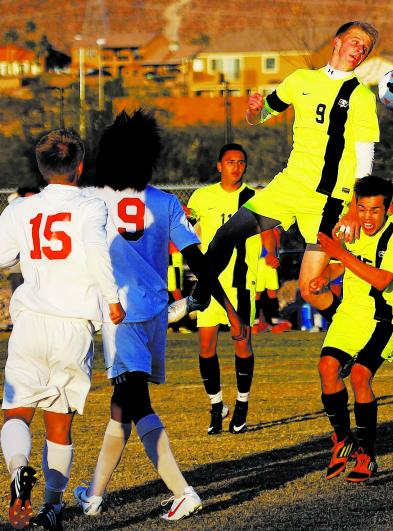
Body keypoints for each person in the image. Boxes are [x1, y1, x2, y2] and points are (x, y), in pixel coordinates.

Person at [73, 110, 248, 521]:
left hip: (121, 314)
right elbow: (198, 260)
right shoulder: (164, 200)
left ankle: (182, 491)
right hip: (153, 315)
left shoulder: (90, 200)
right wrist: (227, 305)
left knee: (136, 403)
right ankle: (94, 494)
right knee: (122, 404)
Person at [170, 21, 380, 329]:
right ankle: (199, 297)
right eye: (355, 41)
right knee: (226, 234)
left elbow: (366, 155)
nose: (359, 49)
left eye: (365, 48)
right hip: (288, 186)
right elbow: (261, 114)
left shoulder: (361, 96)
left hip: (328, 201)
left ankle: (349, 336)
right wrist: (254, 110)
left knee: (311, 288)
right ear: (337, 42)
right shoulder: (300, 80)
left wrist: (353, 207)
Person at [0, 130, 125, 530]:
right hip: (73, 326)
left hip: (31, 322)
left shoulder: (19, 209)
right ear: (80, 167)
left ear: (39, 167)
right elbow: (94, 251)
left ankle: (19, 469)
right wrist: (111, 299)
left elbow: (2, 257)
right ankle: (52, 506)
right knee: (60, 420)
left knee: (16, 414)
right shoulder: (90, 206)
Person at [310, 176, 393, 483]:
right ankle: (343, 440)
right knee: (327, 367)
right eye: (362, 209)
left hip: (387, 316)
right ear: (355, 206)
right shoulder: (350, 230)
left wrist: (340, 254)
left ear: (388, 209)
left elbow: (382, 279)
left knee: (359, 376)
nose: (368, 217)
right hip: (351, 312)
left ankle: (367, 455)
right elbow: (343, 265)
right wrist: (326, 276)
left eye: (375, 211)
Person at [186, 143, 260, 435]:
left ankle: (242, 403)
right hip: (209, 280)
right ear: (219, 165)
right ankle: (216, 404)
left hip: (241, 281)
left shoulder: (254, 198)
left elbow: (271, 230)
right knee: (206, 346)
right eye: (230, 162)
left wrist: (274, 253)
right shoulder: (202, 197)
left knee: (241, 342)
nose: (236, 167)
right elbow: (186, 226)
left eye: (241, 162)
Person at [254, 226, 293, 333]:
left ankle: (274, 321)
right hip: (260, 260)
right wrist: (267, 254)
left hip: (270, 263)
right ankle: (254, 322)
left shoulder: (275, 227)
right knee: (257, 292)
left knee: (272, 291)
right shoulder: (261, 222)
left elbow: (276, 244)